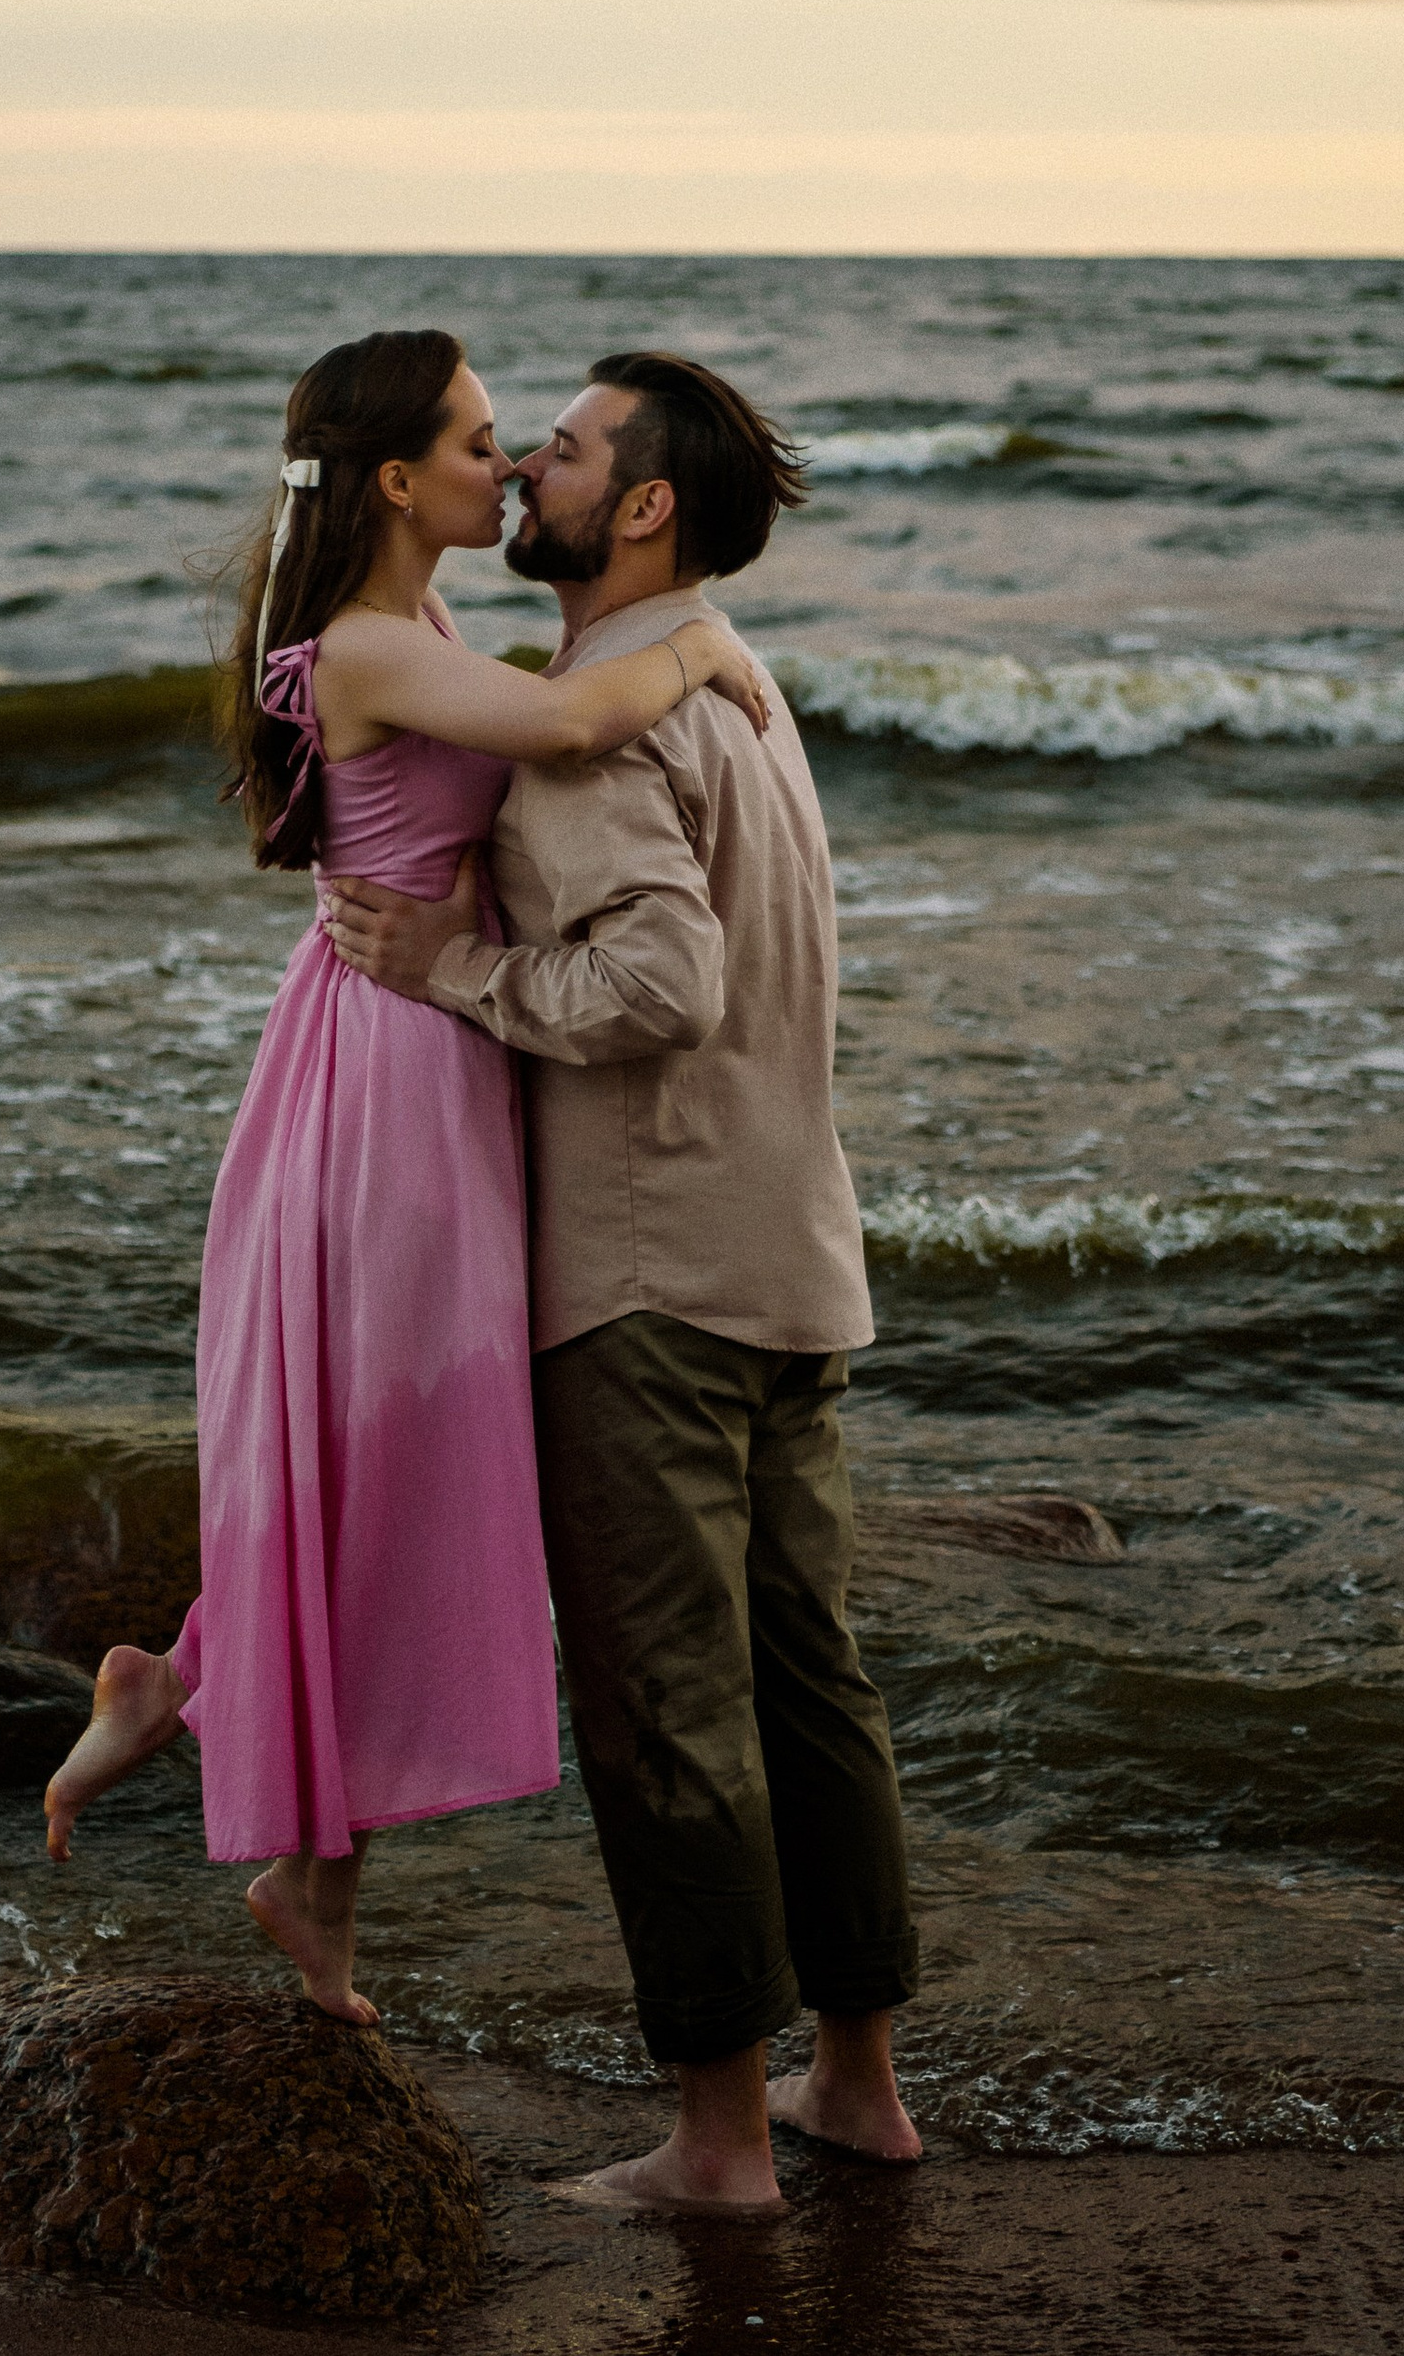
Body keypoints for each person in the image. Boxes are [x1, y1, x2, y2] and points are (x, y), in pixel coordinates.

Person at [40, 325, 768, 2028]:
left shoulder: (415, 620)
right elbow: (581, 717)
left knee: (391, 1457)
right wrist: (704, 637)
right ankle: (252, 1789)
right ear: (391, 477)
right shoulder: (366, 643)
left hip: (411, 1058)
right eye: (479, 440)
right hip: (388, 1080)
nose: (506, 469)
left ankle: (203, 1714)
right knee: (395, 1453)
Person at [323, 352, 920, 2212]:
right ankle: (856, 2088)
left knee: (670, 1708)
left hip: (653, 1280)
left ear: (639, 507)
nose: (526, 475)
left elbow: (660, 983)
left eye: (563, 453)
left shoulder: (594, 706)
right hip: (795, 1255)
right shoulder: (742, 680)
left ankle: (717, 2143)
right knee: (811, 1687)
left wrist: (450, 971)